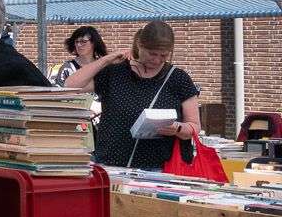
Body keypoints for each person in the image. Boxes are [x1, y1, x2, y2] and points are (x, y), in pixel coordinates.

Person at [65, 20, 200, 170]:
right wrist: (106, 59)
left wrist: (177, 128)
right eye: (152, 53)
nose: (156, 60)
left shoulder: (178, 78)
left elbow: (194, 127)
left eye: (163, 55)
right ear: (139, 45)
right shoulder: (116, 72)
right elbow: (70, 86)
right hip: (112, 164)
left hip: (160, 168)